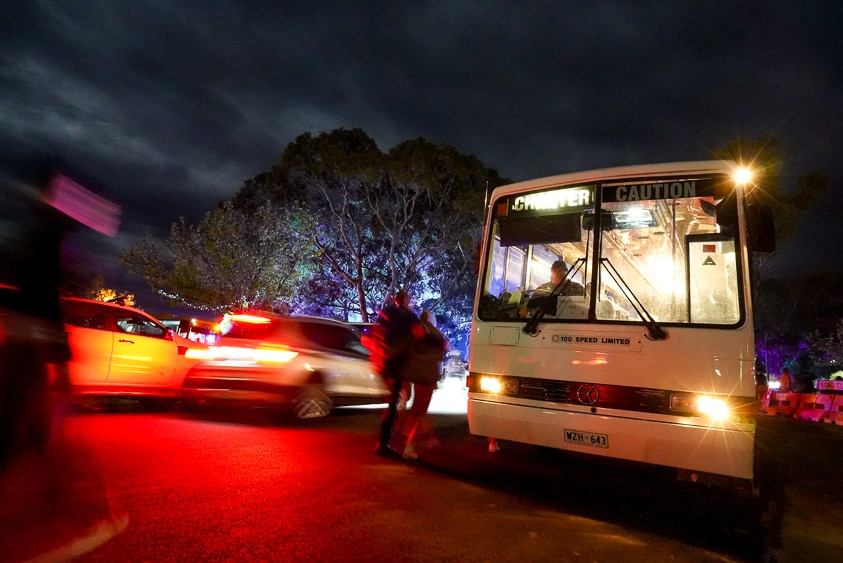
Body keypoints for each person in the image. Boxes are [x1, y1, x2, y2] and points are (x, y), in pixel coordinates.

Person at [374, 290, 422, 458]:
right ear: (406, 300)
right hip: (399, 364)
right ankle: (384, 443)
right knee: (394, 403)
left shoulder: (387, 312)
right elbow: (420, 333)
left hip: (386, 362)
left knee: (392, 402)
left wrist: (380, 354)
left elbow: (377, 332)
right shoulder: (408, 315)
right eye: (409, 298)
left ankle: (385, 440)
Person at [400, 310, 447, 460]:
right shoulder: (434, 335)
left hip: (416, 376)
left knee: (418, 409)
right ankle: (410, 445)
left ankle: (422, 437)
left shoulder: (416, 332)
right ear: (431, 319)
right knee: (419, 412)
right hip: (427, 378)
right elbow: (439, 355)